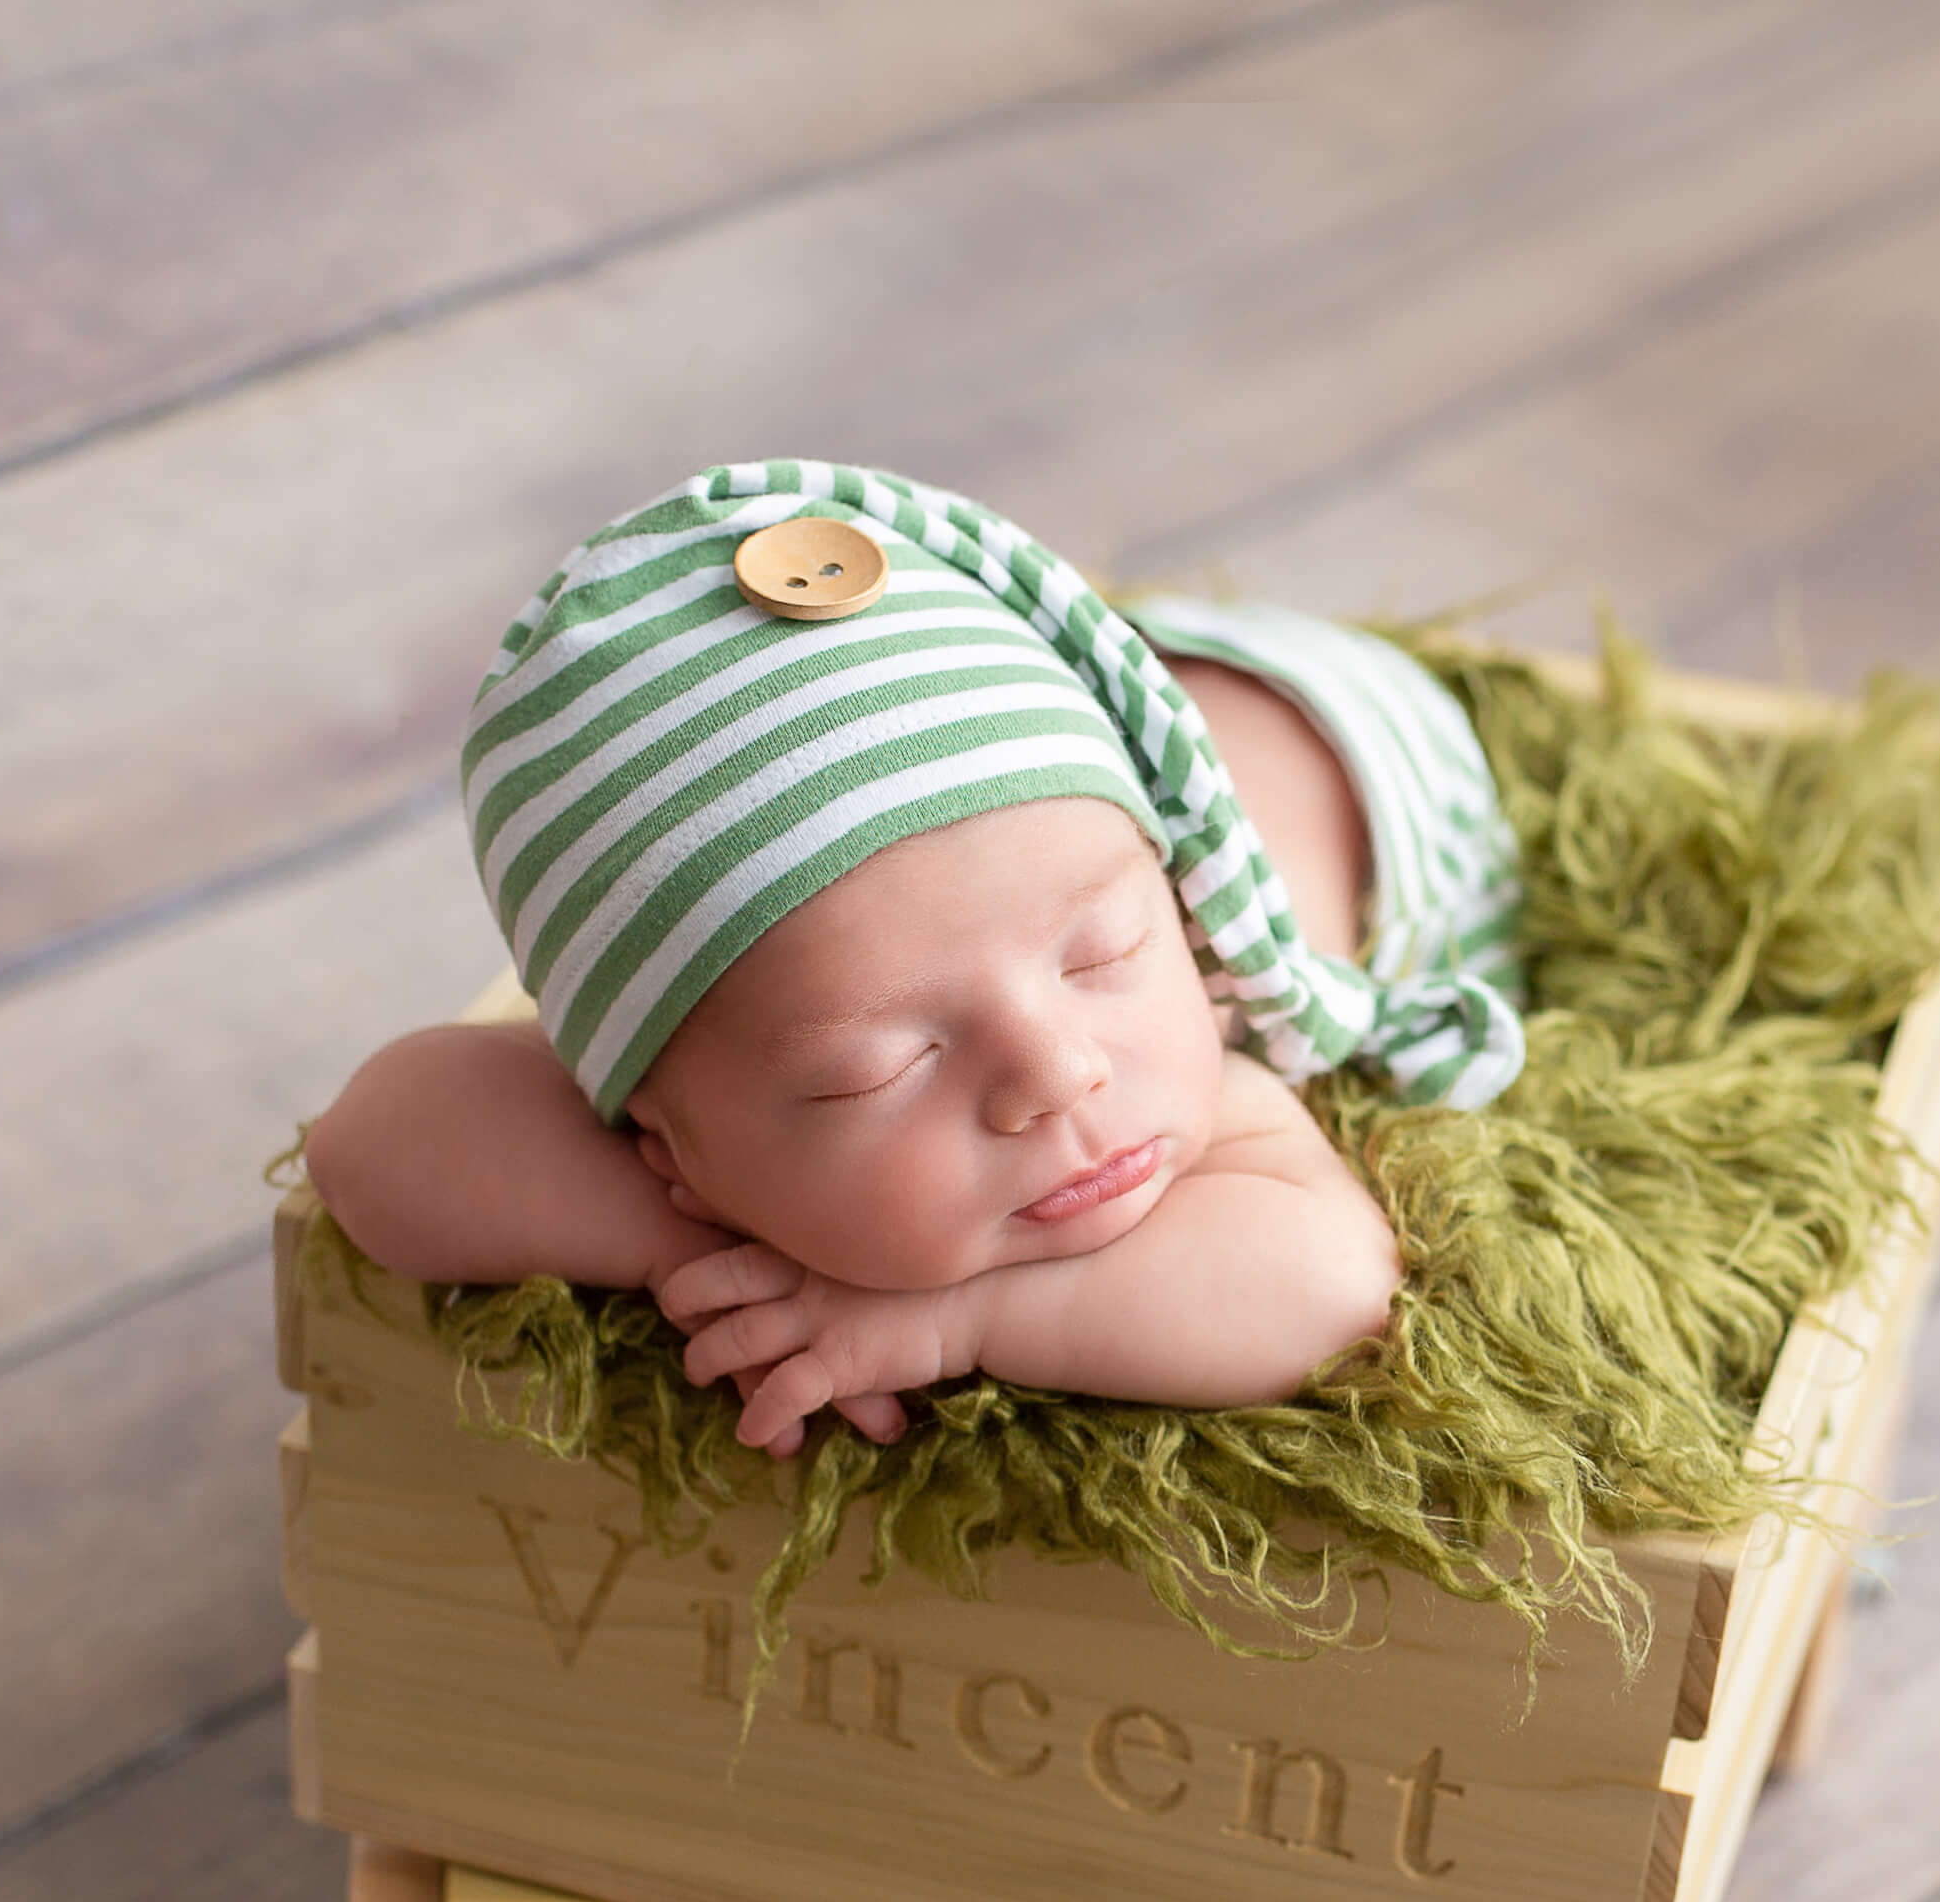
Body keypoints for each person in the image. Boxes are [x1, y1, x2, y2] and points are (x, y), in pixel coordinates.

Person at [304, 462, 1528, 1457]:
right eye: (878, 1071)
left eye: (1104, 954)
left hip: (1363, 737)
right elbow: (373, 1143)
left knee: (1236, 786)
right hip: (992, 743)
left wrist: (950, 1312)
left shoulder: (1214, 1015)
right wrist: (717, 1247)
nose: (1056, 1071)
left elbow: (1325, 1288)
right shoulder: (703, 1108)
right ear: (670, 1148)